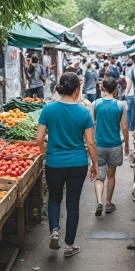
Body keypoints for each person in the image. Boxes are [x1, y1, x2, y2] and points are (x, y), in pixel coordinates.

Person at [36, 73, 98, 257]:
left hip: (54, 163)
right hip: (77, 163)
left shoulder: (48, 109)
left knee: (54, 198)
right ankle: (69, 246)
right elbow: (91, 143)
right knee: (72, 204)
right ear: (77, 89)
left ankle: (54, 230)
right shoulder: (84, 112)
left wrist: (46, 152)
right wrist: (95, 164)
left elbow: (39, 138)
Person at [92, 77, 129, 216]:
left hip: (99, 145)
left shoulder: (95, 104)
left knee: (99, 176)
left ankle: (99, 201)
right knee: (111, 175)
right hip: (114, 145)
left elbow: (90, 125)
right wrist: (126, 145)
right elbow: (125, 127)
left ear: (102, 88)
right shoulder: (120, 106)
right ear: (115, 90)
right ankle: (108, 203)